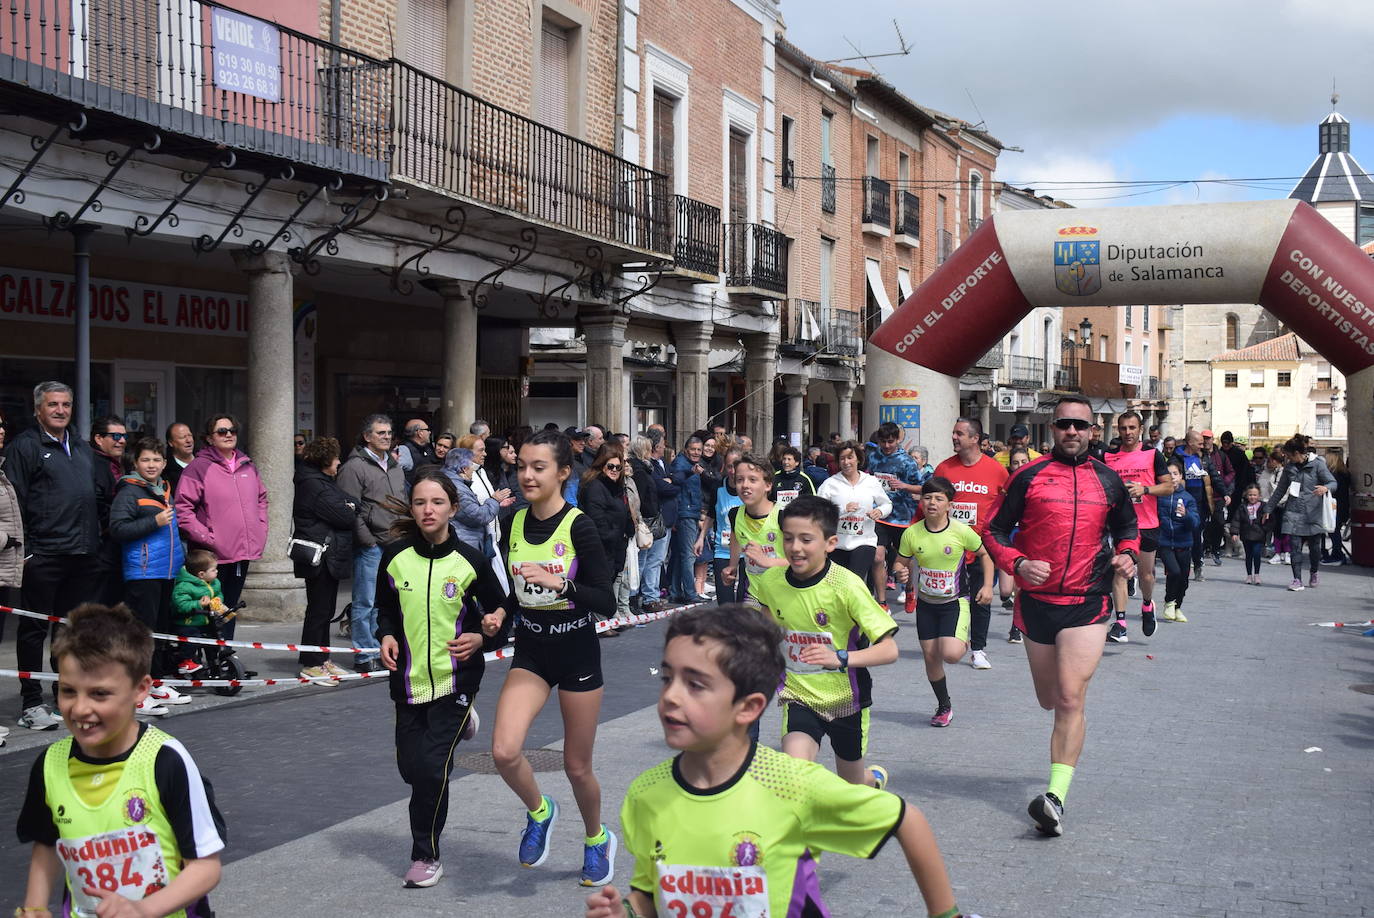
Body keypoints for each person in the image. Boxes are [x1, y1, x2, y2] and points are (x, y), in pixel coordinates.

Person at [584, 604, 966, 918]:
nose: (670, 697)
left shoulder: (791, 784)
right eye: (668, 679)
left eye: (695, 685)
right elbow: (650, 894)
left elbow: (906, 820)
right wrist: (627, 912)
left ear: (748, 707)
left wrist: (945, 913)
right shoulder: (645, 794)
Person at [985, 394, 1139, 837]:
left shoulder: (1108, 480)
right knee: (1049, 697)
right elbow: (993, 530)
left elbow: (1127, 529)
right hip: (1036, 604)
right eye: (1064, 425)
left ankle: (1055, 798)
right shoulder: (1027, 477)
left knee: (1071, 698)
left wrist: (1127, 554)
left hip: (1088, 601)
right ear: (1051, 430)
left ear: (1093, 431)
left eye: (1080, 425)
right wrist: (1016, 563)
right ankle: (1058, 761)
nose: (1072, 432)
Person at [15, 603, 226, 918]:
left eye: (100, 694)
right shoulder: (49, 765)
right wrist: (34, 907)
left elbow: (206, 867)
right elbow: (46, 845)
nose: (80, 708)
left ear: (140, 689)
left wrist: (143, 909)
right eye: (68, 691)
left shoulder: (166, 761)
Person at [491, 429, 619, 887]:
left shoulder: (578, 525)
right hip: (532, 650)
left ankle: (596, 837)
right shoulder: (511, 523)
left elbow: (605, 599)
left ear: (563, 473)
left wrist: (560, 584)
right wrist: (501, 611)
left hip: (577, 651)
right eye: (522, 466)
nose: (526, 475)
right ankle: (540, 812)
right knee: (504, 751)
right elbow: (514, 585)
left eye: (538, 467)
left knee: (576, 766)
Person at [374, 469, 509, 888]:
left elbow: (502, 613)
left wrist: (483, 636)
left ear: (453, 507)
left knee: (432, 770)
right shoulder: (395, 556)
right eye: (419, 503)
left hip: (456, 680)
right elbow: (385, 610)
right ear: (411, 509)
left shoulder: (471, 560)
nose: (428, 510)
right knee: (410, 769)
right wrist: (387, 635)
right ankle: (463, 724)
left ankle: (425, 855)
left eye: (436, 502)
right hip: (409, 681)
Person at [746, 496, 898, 786]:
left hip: (846, 700)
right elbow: (770, 628)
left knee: (852, 782)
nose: (795, 548)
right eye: (788, 539)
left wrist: (840, 658)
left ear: (830, 543)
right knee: (794, 774)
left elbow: (889, 649)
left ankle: (872, 781)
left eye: (806, 539)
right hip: (799, 696)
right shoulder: (771, 582)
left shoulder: (847, 586)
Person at [7, 382, 102, 731]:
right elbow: (13, 503)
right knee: (33, 629)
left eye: (65, 404)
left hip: (81, 555)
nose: (60, 410)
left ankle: (64, 695)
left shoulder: (81, 448)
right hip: (43, 555)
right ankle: (31, 703)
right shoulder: (25, 447)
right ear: (37, 410)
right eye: (52, 405)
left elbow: (95, 496)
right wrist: (28, 552)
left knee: (68, 631)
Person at [894, 478, 994, 728]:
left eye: (939, 499)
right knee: (931, 657)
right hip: (926, 604)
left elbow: (985, 555)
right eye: (927, 497)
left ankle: (961, 642)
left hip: (955, 602)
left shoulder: (960, 531)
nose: (932, 503)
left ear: (949, 505)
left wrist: (987, 586)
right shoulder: (912, 532)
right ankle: (944, 706)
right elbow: (899, 562)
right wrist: (900, 572)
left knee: (949, 654)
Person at [108, 436, 190, 710]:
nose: (151, 464)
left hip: (166, 571)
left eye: (156, 459)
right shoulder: (129, 491)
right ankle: (135, 692)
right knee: (142, 635)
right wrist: (153, 521)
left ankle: (155, 683)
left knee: (160, 632)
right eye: (146, 459)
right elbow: (117, 529)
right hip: (142, 572)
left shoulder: (163, 488)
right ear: (135, 462)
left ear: (165, 462)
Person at [174, 414, 267, 641]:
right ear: (209, 438)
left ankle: (225, 654)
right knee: (210, 608)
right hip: (212, 555)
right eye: (222, 431)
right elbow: (183, 509)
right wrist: (208, 538)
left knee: (230, 607)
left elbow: (261, 499)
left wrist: (260, 529)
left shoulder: (247, 464)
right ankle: (207, 658)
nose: (228, 435)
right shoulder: (198, 467)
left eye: (232, 430)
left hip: (241, 551)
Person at [933, 417, 1008, 670]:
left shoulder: (996, 470)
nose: (954, 437)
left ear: (975, 439)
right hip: (948, 547)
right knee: (950, 598)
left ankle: (978, 649)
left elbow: (1007, 505)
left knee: (980, 598)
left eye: (960, 434)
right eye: (953, 433)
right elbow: (930, 502)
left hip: (982, 548)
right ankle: (952, 640)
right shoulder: (944, 469)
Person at [336, 414, 406, 672]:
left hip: (395, 543)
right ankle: (364, 656)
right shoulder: (353, 467)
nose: (387, 437)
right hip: (371, 546)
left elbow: (402, 502)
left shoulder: (396, 466)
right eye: (381, 433)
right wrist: (366, 540)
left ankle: (383, 652)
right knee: (364, 602)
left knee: (384, 602)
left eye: (389, 432)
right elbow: (349, 509)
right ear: (367, 436)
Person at [292, 437, 360, 685]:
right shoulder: (313, 485)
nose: (339, 462)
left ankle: (323, 658)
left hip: (328, 555)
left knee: (326, 609)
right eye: (336, 458)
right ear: (325, 460)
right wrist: (349, 508)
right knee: (319, 611)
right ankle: (311, 663)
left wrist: (350, 506)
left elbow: (354, 503)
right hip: (320, 555)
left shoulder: (322, 482)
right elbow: (345, 515)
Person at [1103, 411, 1172, 641]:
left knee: (1146, 576)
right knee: (1120, 572)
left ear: (1140, 429)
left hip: (1147, 524)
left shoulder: (1153, 454)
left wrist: (1145, 489)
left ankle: (1146, 605)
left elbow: (1168, 487)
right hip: (1121, 525)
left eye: (1132, 428)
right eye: (1123, 428)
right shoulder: (1109, 456)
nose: (1127, 433)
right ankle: (1120, 623)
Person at [1264, 435, 1336, 591]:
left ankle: (1314, 571)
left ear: (1297, 453)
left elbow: (1333, 482)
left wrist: (1325, 488)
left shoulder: (1318, 465)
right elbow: (1280, 490)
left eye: (1289, 455)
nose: (1287, 458)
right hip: (1293, 511)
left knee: (1315, 548)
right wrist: (1268, 508)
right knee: (1294, 547)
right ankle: (1297, 579)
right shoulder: (1289, 468)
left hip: (1314, 512)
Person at [817, 440, 890, 589]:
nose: (846, 462)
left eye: (850, 457)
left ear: (858, 459)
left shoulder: (870, 481)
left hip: (864, 541)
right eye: (842, 458)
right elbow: (819, 511)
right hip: (837, 543)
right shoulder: (830, 484)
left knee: (852, 582)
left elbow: (887, 504)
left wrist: (879, 511)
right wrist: (843, 510)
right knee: (838, 585)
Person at [578, 442, 634, 636]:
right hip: (602, 544)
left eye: (618, 467)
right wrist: (615, 533)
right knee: (600, 583)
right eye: (611, 466)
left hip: (616, 544)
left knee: (612, 581)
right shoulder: (595, 487)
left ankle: (607, 618)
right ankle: (600, 622)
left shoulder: (614, 486)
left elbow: (622, 511)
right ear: (602, 464)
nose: (615, 470)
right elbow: (597, 519)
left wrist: (628, 530)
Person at [866, 422, 924, 611]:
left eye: (890, 441)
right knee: (877, 556)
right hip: (880, 515)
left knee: (904, 559)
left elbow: (921, 487)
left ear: (897, 440)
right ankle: (882, 601)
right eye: (883, 442)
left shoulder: (907, 461)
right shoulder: (872, 457)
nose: (887, 446)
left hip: (902, 517)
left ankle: (908, 588)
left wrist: (903, 486)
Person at [721, 455, 787, 603]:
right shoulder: (734, 514)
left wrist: (767, 561)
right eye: (739, 480)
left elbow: (804, 561)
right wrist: (732, 566)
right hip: (753, 595)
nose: (745, 485)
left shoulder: (783, 516)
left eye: (752, 480)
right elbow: (736, 538)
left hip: (785, 597)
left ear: (768, 485)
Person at [89, 415, 129, 605]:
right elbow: (95, 503)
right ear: (98, 439)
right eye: (115, 436)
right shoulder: (93, 464)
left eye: (123, 436)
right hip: (101, 548)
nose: (121, 441)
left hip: (116, 546)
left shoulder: (118, 463)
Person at [443, 447, 509, 559]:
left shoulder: (451, 482)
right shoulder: (458, 489)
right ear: (464, 469)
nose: (473, 470)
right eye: (471, 466)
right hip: (465, 545)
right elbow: (478, 516)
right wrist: (494, 500)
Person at [637, 433, 677, 613]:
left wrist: (671, 482)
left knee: (656, 559)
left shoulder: (654, 466)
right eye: (660, 445)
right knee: (648, 560)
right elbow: (662, 488)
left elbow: (674, 483)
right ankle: (646, 597)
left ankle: (650, 596)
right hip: (649, 520)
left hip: (658, 519)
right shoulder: (643, 469)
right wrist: (667, 484)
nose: (661, 448)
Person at [1157, 459, 1200, 622]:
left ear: (1181, 476)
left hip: (1184, 543)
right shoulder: (1160, 495)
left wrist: (1186, 515)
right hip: (1165, 542)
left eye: (1175, 473)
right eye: (1169, 474)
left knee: (1183, 580)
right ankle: (1169, 602)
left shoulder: (1188, 498)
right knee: (1174, 572)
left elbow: (1195, 523)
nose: (1172, 477)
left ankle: (1177, 607)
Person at [668, 436, 707, 604]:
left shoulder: (691, 464)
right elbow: (676, 487)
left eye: (699, 449)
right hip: (686, 513)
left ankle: (676, 591)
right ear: (686, 450)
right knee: (688, 555)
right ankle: (690, 593)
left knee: (679, 555)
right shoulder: (681, 464)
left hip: (689, 512)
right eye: (693, 449)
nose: (696, 453)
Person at [1175, 430, 1213, 582]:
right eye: (1200, 443)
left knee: (1196, 535)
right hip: (1182, 500)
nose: (1202, 446)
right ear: (1190, 443)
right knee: (1180, 534)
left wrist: (1225, 493)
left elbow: (1213, 476)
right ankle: (1179, 568)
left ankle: (1198, 565)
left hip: (1199, 502)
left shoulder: (1203, 458)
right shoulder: (1177, 458)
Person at [709, 448, 744, 603]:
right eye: (729, 466)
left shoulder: (749, 490)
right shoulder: (717, 488)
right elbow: (711, 514)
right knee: (725, 605)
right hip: (722, 550)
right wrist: (701, 537)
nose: (733, 471)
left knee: (745, 602)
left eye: (736, 466)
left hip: (746, 553)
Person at [1231, 483, 1270, 585]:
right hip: (1246, 534)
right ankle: (1249, 575)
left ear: (1259, 495)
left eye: (1255, 495)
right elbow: (1236, 520)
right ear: (1247, 495)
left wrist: (1265, 529)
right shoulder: (1242, 507)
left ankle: (1256, 574)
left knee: (1257, 553)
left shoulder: (1263, 506)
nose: (1252, 497)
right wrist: (1234, 532)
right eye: (1250, 495)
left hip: (1259, 535)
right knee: (1248, 555)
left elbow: (1270, 520)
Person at [1322, 449, 1351, 565]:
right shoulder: (1344, 474)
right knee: (1335, 531)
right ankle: (1337, 554)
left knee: (1333, 531)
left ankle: (1337, 555)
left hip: (1335, 506)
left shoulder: (1335, 476)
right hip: (1342, 506)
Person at [396, 418, 439, 485]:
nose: (429, 432)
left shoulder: (428, 448)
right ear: (420, 433)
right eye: (427, 430)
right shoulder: (405, 450)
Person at [163, 422, 197, 494]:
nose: (189, 440)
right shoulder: (166, 472)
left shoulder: (205, 462)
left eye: (190, 435)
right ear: (171, 442)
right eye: (182, 437)